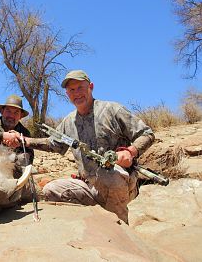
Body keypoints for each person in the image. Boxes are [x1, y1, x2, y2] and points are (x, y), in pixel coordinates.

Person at [25, 70, 155, 224]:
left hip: (120, 181)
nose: (77, 93)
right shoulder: (68, 121)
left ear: (91, 87)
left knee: (109, 175)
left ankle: (121, 230)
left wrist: (130, 152)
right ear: (67, 94)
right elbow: (54, 144)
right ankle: (89, 229)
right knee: (51, 190)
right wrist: (26, 141)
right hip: (87, 185)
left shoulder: (112, 109)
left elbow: (147, 134)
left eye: (80, 87)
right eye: (72, 90)